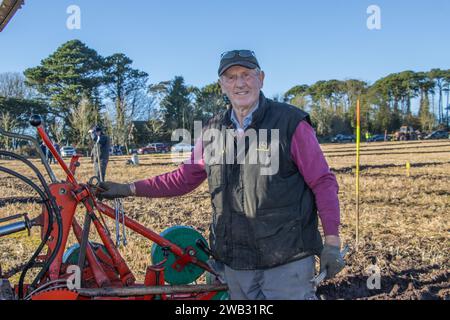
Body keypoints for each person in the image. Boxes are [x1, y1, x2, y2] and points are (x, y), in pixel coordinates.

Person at [98, 50, 344, 300]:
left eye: (247, 75)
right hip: (235, 261)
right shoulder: (213, 130)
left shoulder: (290, 123)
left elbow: (322, 182)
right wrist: (128, 188)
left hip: (286, 260)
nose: (239, 83)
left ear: (261, 78)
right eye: (231, 77)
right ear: (221, 85)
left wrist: (332, 242)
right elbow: (183, 178)